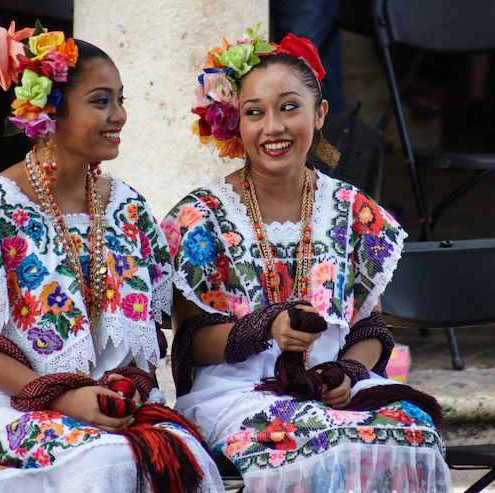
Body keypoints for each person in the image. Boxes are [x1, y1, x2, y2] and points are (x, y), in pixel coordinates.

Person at [0, 20, 224, 493]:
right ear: (50, 112)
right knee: (105, 463)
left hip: (106, 407)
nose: (119, 114)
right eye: (101, 101)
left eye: (122, 100)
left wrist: (119, 390)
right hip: (3, 402)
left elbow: (147, 340)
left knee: (184, 460)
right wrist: (62, 397)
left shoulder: (128, 207)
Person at [166, 29, 453, 492]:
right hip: (238, 392)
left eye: (289, 107)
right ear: (233, 123)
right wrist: (266, 327)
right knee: (322, 441)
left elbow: (370, 330)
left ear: (319, 114)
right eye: (254, 112)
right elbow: (191, 340)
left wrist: (346, 372)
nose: (273, 127)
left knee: (411, 433)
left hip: (330, 389)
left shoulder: (353, 211)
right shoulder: (200, 218)